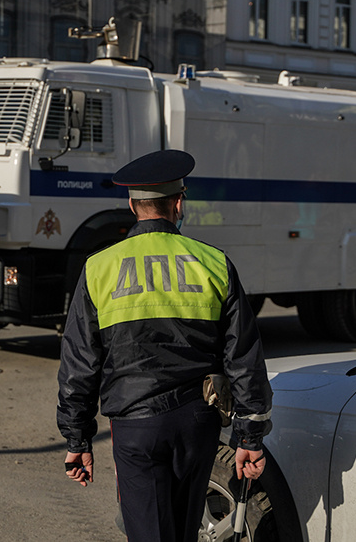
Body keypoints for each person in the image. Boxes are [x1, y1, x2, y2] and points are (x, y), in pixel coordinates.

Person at [57, 149, 272, 542]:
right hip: (197, 423)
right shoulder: (213, 263)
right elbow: (243, 357)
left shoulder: (99, 268)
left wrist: (77, 438)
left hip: (135, 426)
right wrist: (249, 438)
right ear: (177, 202)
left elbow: (79, 364)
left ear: (132, 204)